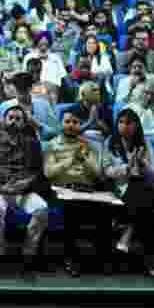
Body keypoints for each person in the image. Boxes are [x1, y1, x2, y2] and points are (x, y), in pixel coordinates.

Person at [0, 104, 50, 274]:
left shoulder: (33, 144)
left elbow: (37, 172)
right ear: (3, 121)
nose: (13, 121)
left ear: (24, 123)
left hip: (23, 190)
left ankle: (28, 253)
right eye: (10, 118)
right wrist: (0, 186)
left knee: (42, 209)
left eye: (18, 119)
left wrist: (24, 184)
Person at [102, 108, 154, 279]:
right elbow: (106, 170)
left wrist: (143, 164)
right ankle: (153, 263)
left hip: (144, 188)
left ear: (136, 125)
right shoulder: (110, 142)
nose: (124, 126)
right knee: (148, 216)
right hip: (120, 189)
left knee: (141, 187)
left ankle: (128, 232)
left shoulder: (145, 143)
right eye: (121, 122)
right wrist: (127, 167)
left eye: (129, 123)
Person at [45, 110, 107, 277]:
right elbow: (49, 173)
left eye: (75, 122)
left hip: (87, 190)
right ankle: (71, 258)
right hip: (63, 191)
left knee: (105, 211)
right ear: (61, 124)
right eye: (67, 121)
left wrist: (84, 158)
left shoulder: (89, 145)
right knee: (72, 210)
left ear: (80, 125)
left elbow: (98, 174)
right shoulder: (52, 145)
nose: (71, 125)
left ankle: (100, 257)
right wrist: (71, 159)